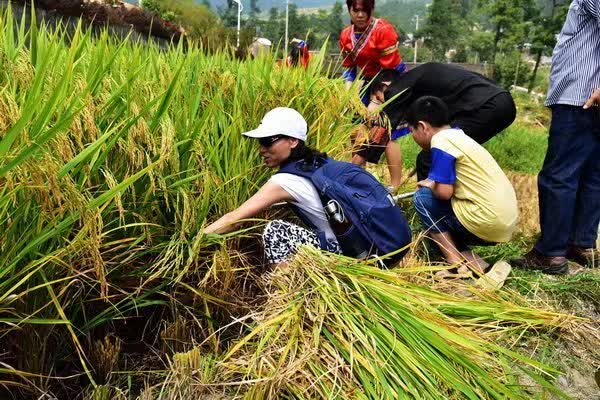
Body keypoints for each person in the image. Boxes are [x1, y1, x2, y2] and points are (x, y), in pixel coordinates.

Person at [204, 107, 412, 266]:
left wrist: (196, 242)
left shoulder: (284, 181)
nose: (262, 150)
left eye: (268, 141)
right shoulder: (317, 163)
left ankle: (284, 295)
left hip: (352, 254)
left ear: (293, 141)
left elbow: (234, 218)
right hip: (375, 246)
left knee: (276, 232)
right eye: (260, 142)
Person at [513, 0, 599, 274]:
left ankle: (550, 252)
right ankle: (580, 244)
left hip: (580, 96)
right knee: (591, 175)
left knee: (559, 176)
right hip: (587, 95)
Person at [407, 96, 518, 277]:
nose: (413, 137)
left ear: (422, 126)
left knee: (423, 200)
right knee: (446, 214)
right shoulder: (458, 136)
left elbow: (444, 193)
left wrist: (430, 187)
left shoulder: (440, 142)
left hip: (484, 220)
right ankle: (479, 265)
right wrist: (433, 183)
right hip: (504, 222)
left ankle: (455, 265)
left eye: (412, 131)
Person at [371, 63, 516, 181]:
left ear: (385, 86)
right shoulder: (422, 79)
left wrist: (359, 162)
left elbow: (384, 129)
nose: (382, 103)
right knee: (444, 156)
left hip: (488, 107)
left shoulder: (396, 89)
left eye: (379, 99)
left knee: (429, 158)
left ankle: (434, 211)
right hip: (501, 103)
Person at [340, 0, 405, 190]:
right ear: (350, 10)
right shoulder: (346, 36)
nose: (360, 15)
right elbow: (350, 69)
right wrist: (347, 96)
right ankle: (361, 178)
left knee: (388, 132)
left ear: (372, 10)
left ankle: (395, 185)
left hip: (390, 82)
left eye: (364, 10)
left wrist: (376, 100)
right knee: (356, 127)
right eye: (356, 10)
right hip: (368, 82)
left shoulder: (383, 31)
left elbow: (390, 70)